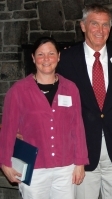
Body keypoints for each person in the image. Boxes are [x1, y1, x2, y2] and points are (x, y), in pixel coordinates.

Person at [57, 3, 112, 199]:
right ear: (83, 26)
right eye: (94, 24)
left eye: (105, 25)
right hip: (82, 152)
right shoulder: (66, 61)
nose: (100, 30)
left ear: (110, 29)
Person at [0, 37, 89, 199]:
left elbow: (78, 127)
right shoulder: (18, 91)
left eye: (51, 53)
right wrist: (5, 162)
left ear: (59, 56)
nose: (46, 59)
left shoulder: (70, 88)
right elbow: (8, 129)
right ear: (33, 58)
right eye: (40, 54)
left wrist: (80, 162)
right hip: (34, 168)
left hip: (65, 167)